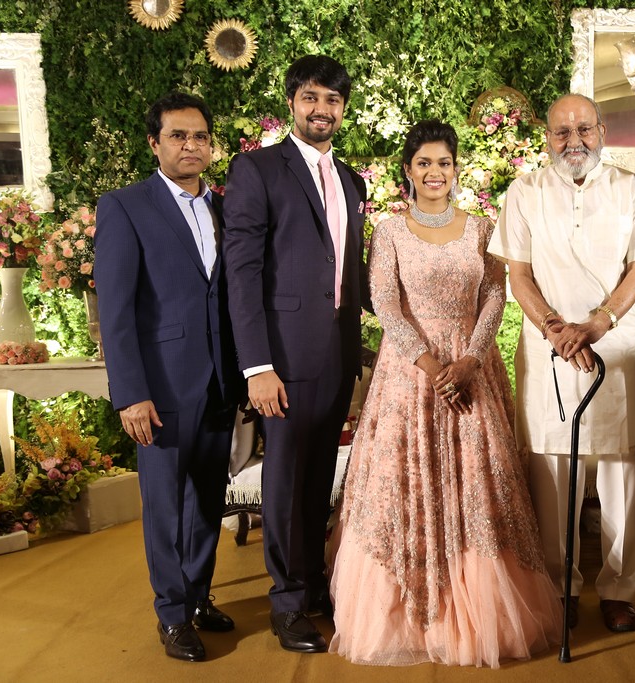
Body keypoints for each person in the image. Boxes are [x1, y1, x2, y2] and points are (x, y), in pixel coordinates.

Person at [329, 120, 561, 668]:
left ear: (457, 170)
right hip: (409, 375)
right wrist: (433, 366)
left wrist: (470, 360)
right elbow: (385, 304)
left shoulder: (482, 228)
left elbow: (494, 296)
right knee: (405, 484)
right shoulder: (389, 231)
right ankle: (410, 616)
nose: (435, 173)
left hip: (471, 368)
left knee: (480, 486)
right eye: (424, 163)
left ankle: (478, 610)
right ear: (408, 171)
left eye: (444, 163)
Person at [488, 93, 635, 634]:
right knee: (553, 472)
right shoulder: (524, 192)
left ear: (602, 131)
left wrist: (598, 323)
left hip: (615, 344)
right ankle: (560, 587)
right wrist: (555, 328)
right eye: (562, 132)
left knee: (620, 473)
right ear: (547, 138)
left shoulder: (632, 190)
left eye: (584, 129)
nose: (574, 141)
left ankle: (619, 590)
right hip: (549, 347)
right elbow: (518, 275)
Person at [222, 55, 367, 654]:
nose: (321, 109)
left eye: (332, 100)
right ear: (291, 103)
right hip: (280, 359)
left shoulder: (352, 180)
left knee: (317, 479)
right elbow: (241, 273)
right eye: (311, 97)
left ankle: (310, 586)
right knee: (283, 481)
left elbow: (348, 270)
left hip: (336, 353)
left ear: (343, 108)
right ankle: (285, 603)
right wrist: (257, 366)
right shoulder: (257, 170)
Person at [96, 92, 241, 662]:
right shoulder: (125, 206)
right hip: (159, 389)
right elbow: (116, 311)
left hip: (219, 382)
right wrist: (131, 394)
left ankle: (199, 597)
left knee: (208, 500)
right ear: (154, 143)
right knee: (165, 506)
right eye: (178, 135)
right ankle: (172, 615)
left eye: (200, 136)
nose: (191, 145)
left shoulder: (226, 208)